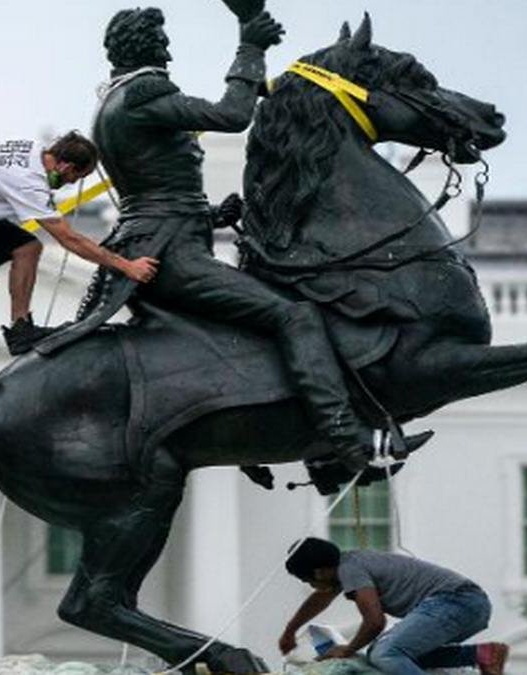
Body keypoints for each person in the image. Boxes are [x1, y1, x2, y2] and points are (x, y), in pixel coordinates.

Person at [33, 7, 419, 473]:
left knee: (250, 328)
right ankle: (346, 440)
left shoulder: (112, 101)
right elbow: (233, 115)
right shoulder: (142, 94)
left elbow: (153, 192)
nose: (169, 50)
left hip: (157, 240)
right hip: (169, 257)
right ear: (147, 48)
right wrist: (249, 45)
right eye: (162, 42)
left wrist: (214, 215)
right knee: (294, 315)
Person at [0, 133, 158, 392]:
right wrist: (127, 266)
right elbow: (70, 239)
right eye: (74, 179)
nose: (69, 184)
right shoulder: (26, 182)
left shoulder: (35, 150)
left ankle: (20, 330)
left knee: (28, 247)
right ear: (65, 166)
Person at [280, 537, 509, 675]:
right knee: (396, 659)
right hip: (468, 605)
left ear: (319, 571)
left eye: (309, 580)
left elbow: (375, 622)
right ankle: (483, 654)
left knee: (385, 654)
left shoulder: (350, 569)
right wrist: (291, 631)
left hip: (454, 601)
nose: (312, 586)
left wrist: (346, 650)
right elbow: (321, 597)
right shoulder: (348, 565)